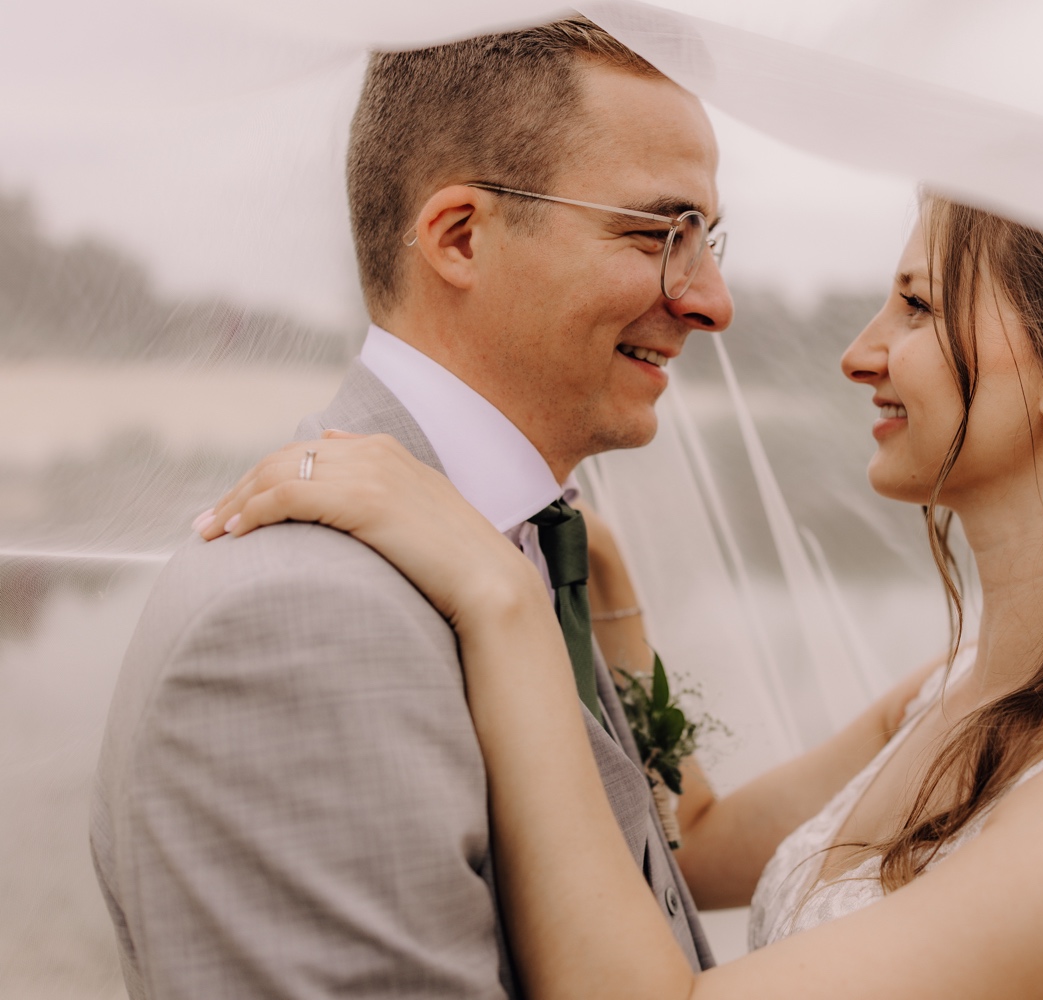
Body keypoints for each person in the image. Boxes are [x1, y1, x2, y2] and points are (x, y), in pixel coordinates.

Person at [205, 191, 1043, 999]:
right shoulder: (966, 683)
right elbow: (701, 837)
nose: (860, 352)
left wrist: (498, 602)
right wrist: (596, 595)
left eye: (916, 307)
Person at [89, 18, 734, 998]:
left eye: (707, 240)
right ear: (460, 237)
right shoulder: (303, 626)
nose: (711, 300)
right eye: (659, 233)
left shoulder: (528, 551)